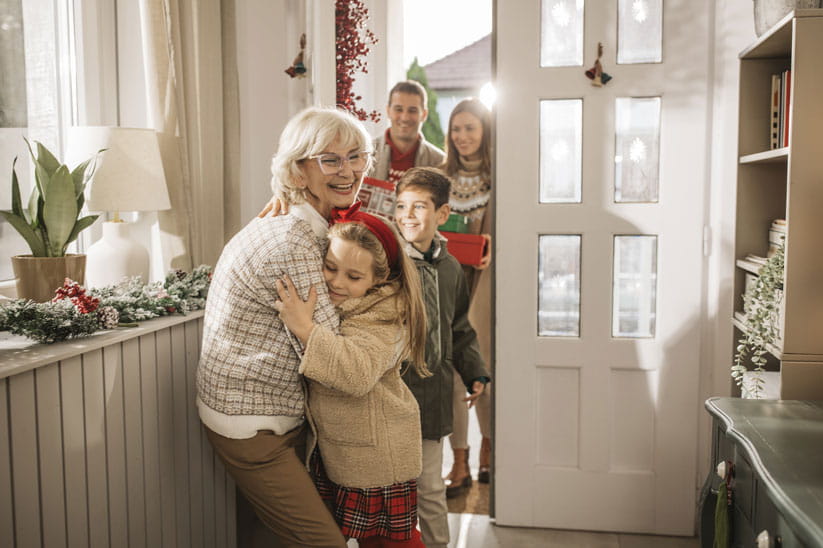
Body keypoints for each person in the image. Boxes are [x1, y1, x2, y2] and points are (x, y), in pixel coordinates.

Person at [196, 106, 374, 548]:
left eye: (356, 156)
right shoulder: (292, 239)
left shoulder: (299, 222)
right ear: (298, 171)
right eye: (330, 160)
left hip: (261, 413)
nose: (348, 170)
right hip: (254, 425)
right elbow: (336, 360)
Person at [273, 204, 428, 547]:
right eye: (330, 267)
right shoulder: (348, 303)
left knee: (395, 544)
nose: (336, 282)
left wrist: (305, 328)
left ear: (380, 280)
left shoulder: (385, 314)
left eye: (353, 277)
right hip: (346, 453)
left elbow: (357, 373)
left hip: (376, 460)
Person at [394, 167, 490, 547]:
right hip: (390, 398)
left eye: (419, 207)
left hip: (431, 404)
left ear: (442, 214)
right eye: (401, 206)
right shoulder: (387, 264)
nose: (407, 216)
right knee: (388, 492)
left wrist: (475, 372)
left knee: (430, 488)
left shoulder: (450, 269)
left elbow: (460, 328)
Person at [441, 98, 494, 497]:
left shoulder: (499, 177)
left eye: (470, 128)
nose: (462, 136)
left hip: (487, 283)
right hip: (447, 282)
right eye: (456, 129)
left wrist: (495, 243)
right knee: (451, 370)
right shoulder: (439, 176)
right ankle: (459, 460)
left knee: (484, 366)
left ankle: (489, 449)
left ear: (485, 131)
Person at [370, 80, 446, 185]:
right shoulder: (366, 153)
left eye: (412, 110)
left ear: (424, 114)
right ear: (388, 111)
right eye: (398, 109)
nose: (405, 117)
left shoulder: (440, 163)